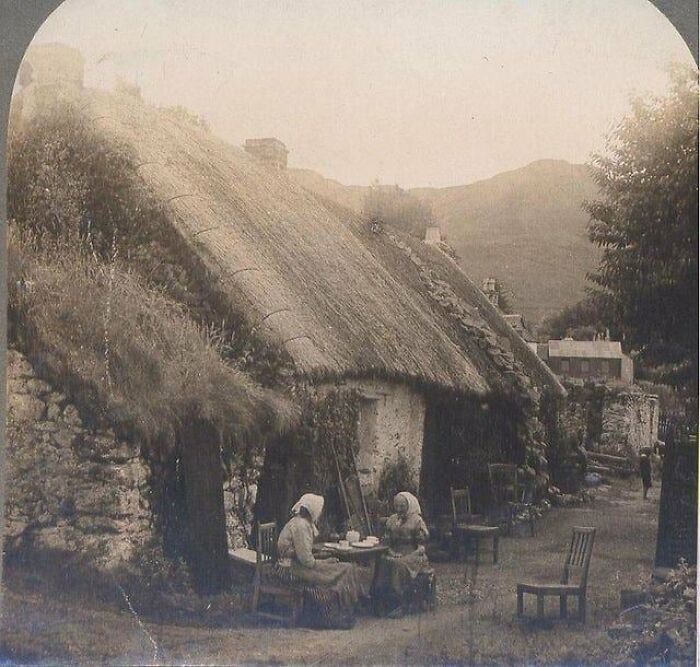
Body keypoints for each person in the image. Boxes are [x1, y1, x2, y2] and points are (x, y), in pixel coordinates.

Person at [275, 493, 367, 629]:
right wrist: (325, 562)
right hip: (289, 569)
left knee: (338, 565)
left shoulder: (300, 522)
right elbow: (307, 561)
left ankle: (337, 609)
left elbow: (304, 555)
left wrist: (326, 560)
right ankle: (335, 611)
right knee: (346, 568)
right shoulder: (301, 526)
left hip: (295, 564)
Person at [376, 491, 432, 618]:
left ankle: (400, 602)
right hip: (395, 552)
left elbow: (422, 545)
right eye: (396, 506)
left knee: (399, 564)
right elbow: (386, 542)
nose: (399, 509)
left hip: (414, 554)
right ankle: (382, 600)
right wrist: (392, 552)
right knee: (383, 560)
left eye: (402, 506)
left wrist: (411, 555)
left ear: (409, 505)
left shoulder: (416, 520)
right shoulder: (392, 520)